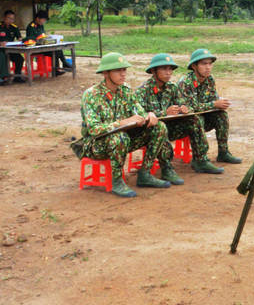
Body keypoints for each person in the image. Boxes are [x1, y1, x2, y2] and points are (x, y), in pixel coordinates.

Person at [77, 52, 183, 198]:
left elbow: (140, 111)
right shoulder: (91, 95)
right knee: (119, 138)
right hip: (96, 144)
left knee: (159, 127)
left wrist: (149, 115)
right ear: (106, 73)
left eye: (124, 70)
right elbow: (94, 129)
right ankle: (117, 181)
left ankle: (145, 174)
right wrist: (122, 122)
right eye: (118, 70)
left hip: (123, 139)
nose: (123, 74)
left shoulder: (125, 91)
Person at [136, 53, 224, 175]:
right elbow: (139, 115)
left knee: (194, 120)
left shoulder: (172, 87)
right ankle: (166, 169)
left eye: (170, 69)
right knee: (160, 128)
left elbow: (184, 103)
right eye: (164, 69)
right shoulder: (143, 90)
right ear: (153, 71)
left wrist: (183, 108)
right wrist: (164, 113)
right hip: (152, 131)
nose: (168, 73)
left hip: (170, 128)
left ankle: (200, 160)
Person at [177, 48, 242, 164]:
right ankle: (200, 159)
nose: (208, 67)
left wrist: (221, 103)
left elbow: (213, 98)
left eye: (210, 63)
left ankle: (223, 152)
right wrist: (214, 104)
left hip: (203, 119)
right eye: (204, 64)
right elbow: (189, 108)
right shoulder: (185, 82)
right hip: (187, 122)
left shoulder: (210, 79)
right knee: (196, 119)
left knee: (221, 115)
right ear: (194, 66)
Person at [25, 9, 70, 76]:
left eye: (44, 20)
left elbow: (43, 35)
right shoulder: (31, 27)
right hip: (35, 49)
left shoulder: (41, 26)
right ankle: (64, 64)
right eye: (43, 20)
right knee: (56, 51)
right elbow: (31, 39)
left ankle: (57, 69)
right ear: (37, 19)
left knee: (57, 50)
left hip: (43, 47)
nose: (43, 22)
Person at [0, 9, 25, 85]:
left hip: (10, 49)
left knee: (20, 58)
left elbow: (19, 38)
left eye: (12, 19)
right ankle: (2, 77)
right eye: (9, 18)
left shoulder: (14, 27)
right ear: (4, 17)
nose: (10, 21)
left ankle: (17, 76)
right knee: (2, 56)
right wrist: (0, 43)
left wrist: (25, 41)